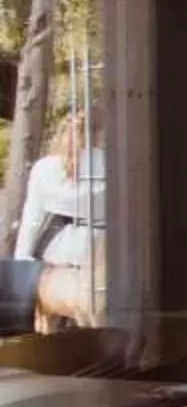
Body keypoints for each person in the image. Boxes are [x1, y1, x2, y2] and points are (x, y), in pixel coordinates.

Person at [15, 110, 101, 328]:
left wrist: (22, 261)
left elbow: (32, 219)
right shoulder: (111, 162)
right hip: (101, 252)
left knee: (45, 316)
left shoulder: (44, 168)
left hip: (60, 252)